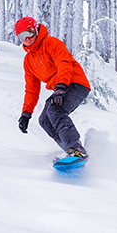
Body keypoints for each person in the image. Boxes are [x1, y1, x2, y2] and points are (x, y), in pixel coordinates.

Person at [16, 17, 91, 160]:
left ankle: (75, 148)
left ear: (36, 29)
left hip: (75, 83)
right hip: (61, 87)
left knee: (54, 109)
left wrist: (61, 87)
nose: (27, 39)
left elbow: (64, 63)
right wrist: (26, 114)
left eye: (29, 33)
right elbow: (31, 89)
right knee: (44, 119)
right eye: (22, 36)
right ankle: (71, 152)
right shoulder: (28, 61)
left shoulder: (51, 43)